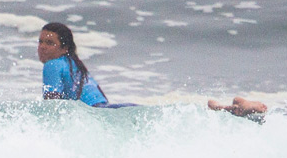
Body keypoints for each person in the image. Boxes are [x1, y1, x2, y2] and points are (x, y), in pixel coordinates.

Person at [37, 22, 267, 118]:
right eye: (41, 41)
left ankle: (228, 110)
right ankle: (226, 110)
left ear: (63, 47)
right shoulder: (74, 64)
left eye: (50, 43)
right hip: (111, 109)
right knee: (167, 118)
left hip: (103, 114)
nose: (43, 47)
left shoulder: (52, 66)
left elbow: (53, 108)